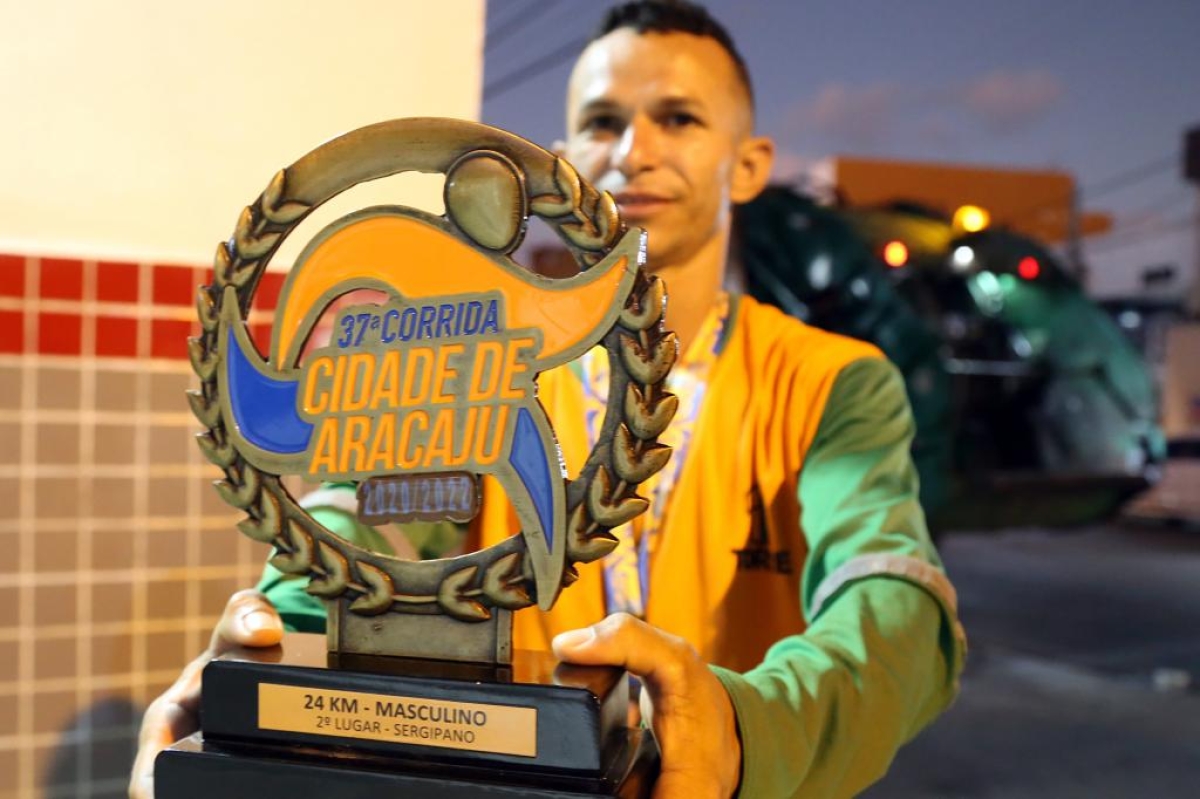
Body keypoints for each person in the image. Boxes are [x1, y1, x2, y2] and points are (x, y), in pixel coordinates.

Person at [130, 3, 966, 797]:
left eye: (678, 117)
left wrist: (744, 731)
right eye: (604, 122)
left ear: (747, 165)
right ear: (564, 160)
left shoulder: (830, 381)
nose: (634, 151)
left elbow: (890, 601)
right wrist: (275, 643)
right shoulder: (470, 359)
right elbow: (364, 512)